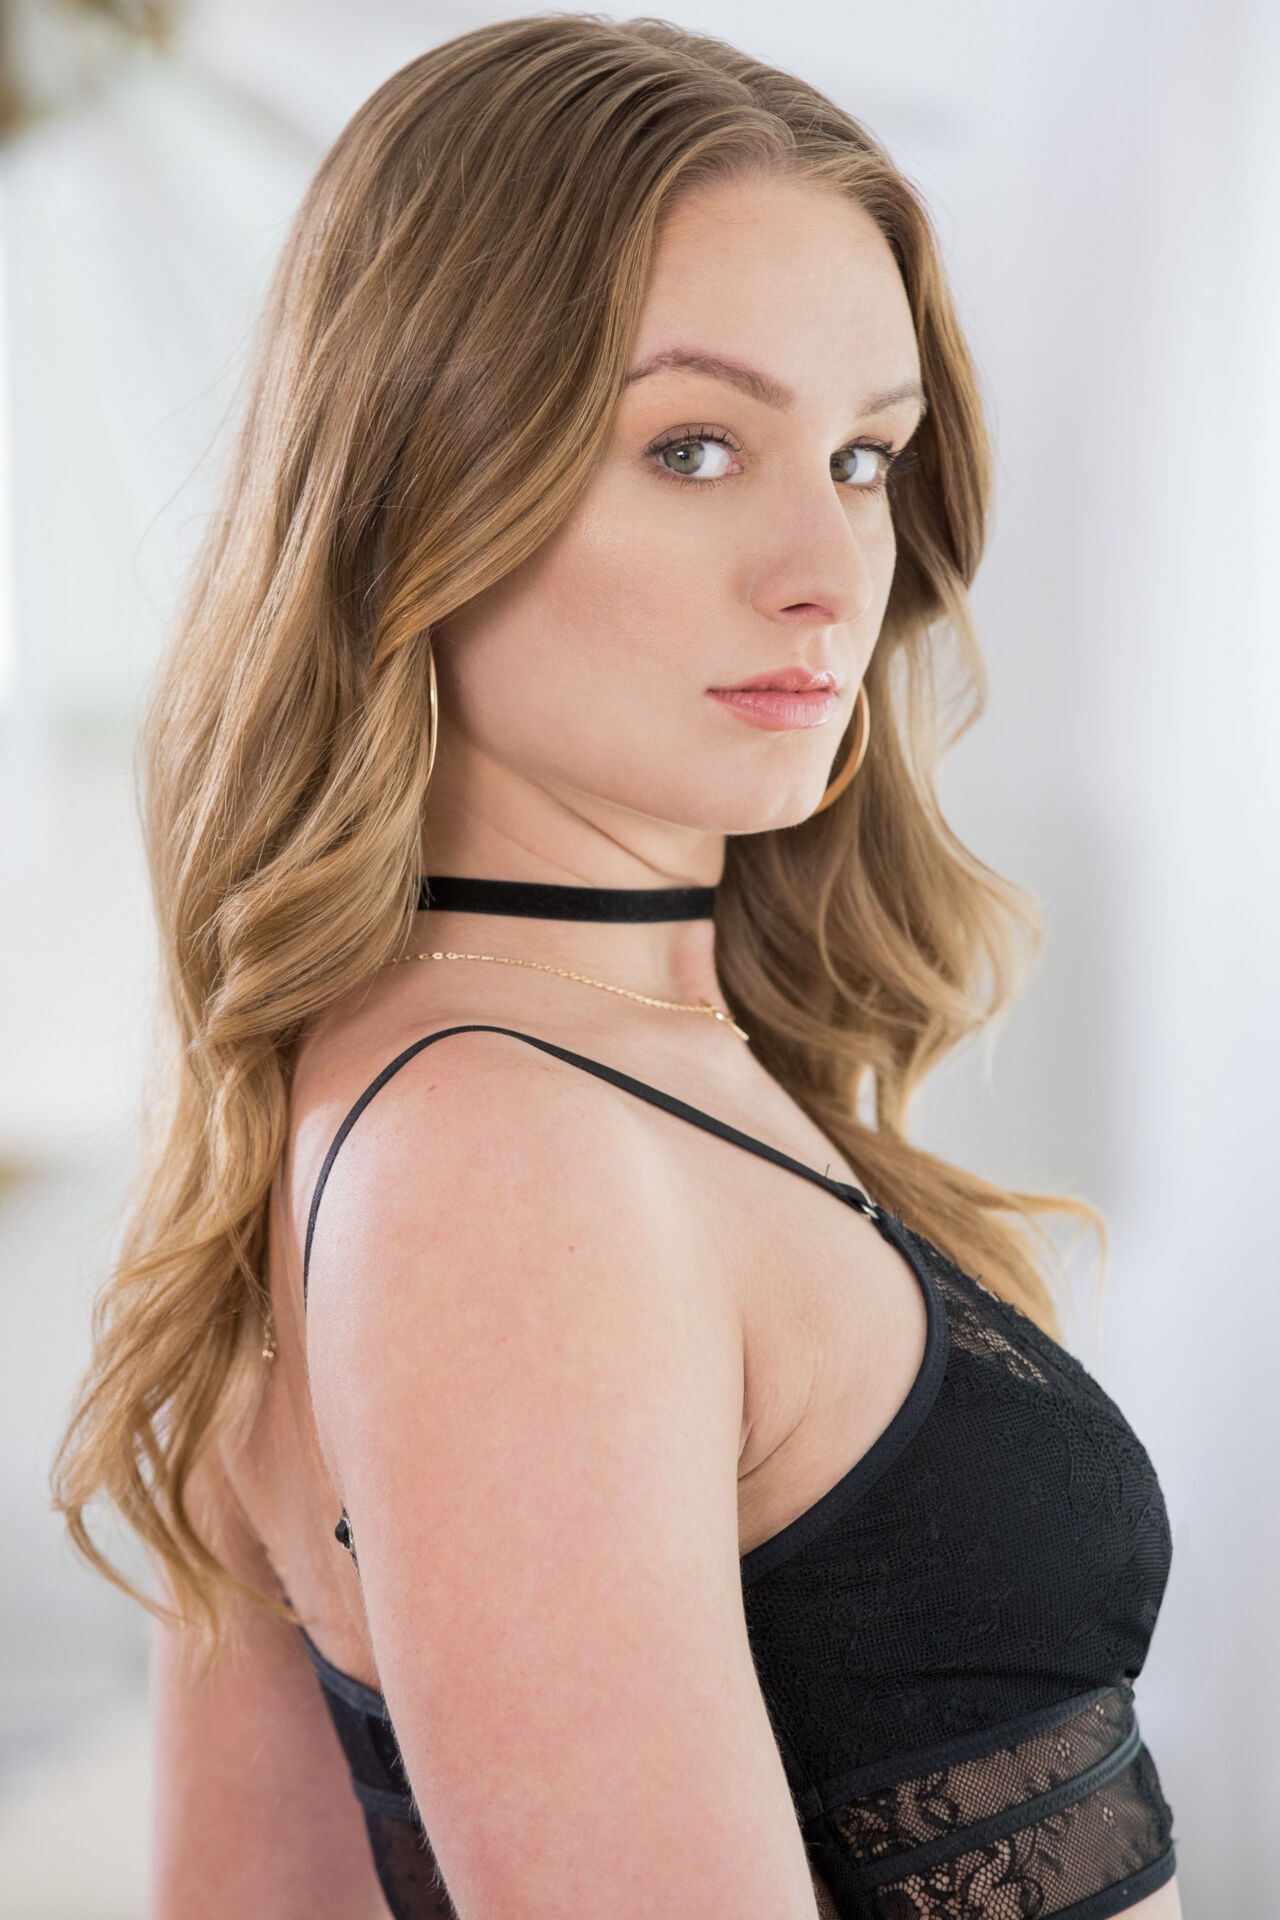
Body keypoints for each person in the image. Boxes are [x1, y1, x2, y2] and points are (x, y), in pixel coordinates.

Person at [52, 16, 1182, 1918]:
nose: (828, 566)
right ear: (421, 474)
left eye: (863, 455)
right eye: (691, 447)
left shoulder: (479, 1087)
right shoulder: (509, 1155)